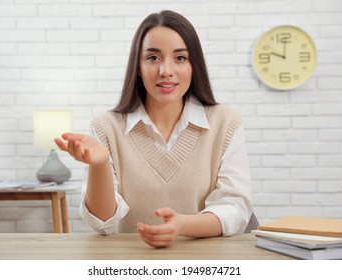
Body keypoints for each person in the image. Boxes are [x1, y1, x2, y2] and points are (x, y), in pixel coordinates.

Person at [55, 10, 254, 248]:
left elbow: (235, 208)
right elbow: (103, 224)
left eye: (180, 58)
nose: (165, 71)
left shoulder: (225, 122)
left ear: (194, 65)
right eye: (153, 58)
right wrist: (99, 165)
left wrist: (182, 226)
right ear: (137, 66)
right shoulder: (106, 127)